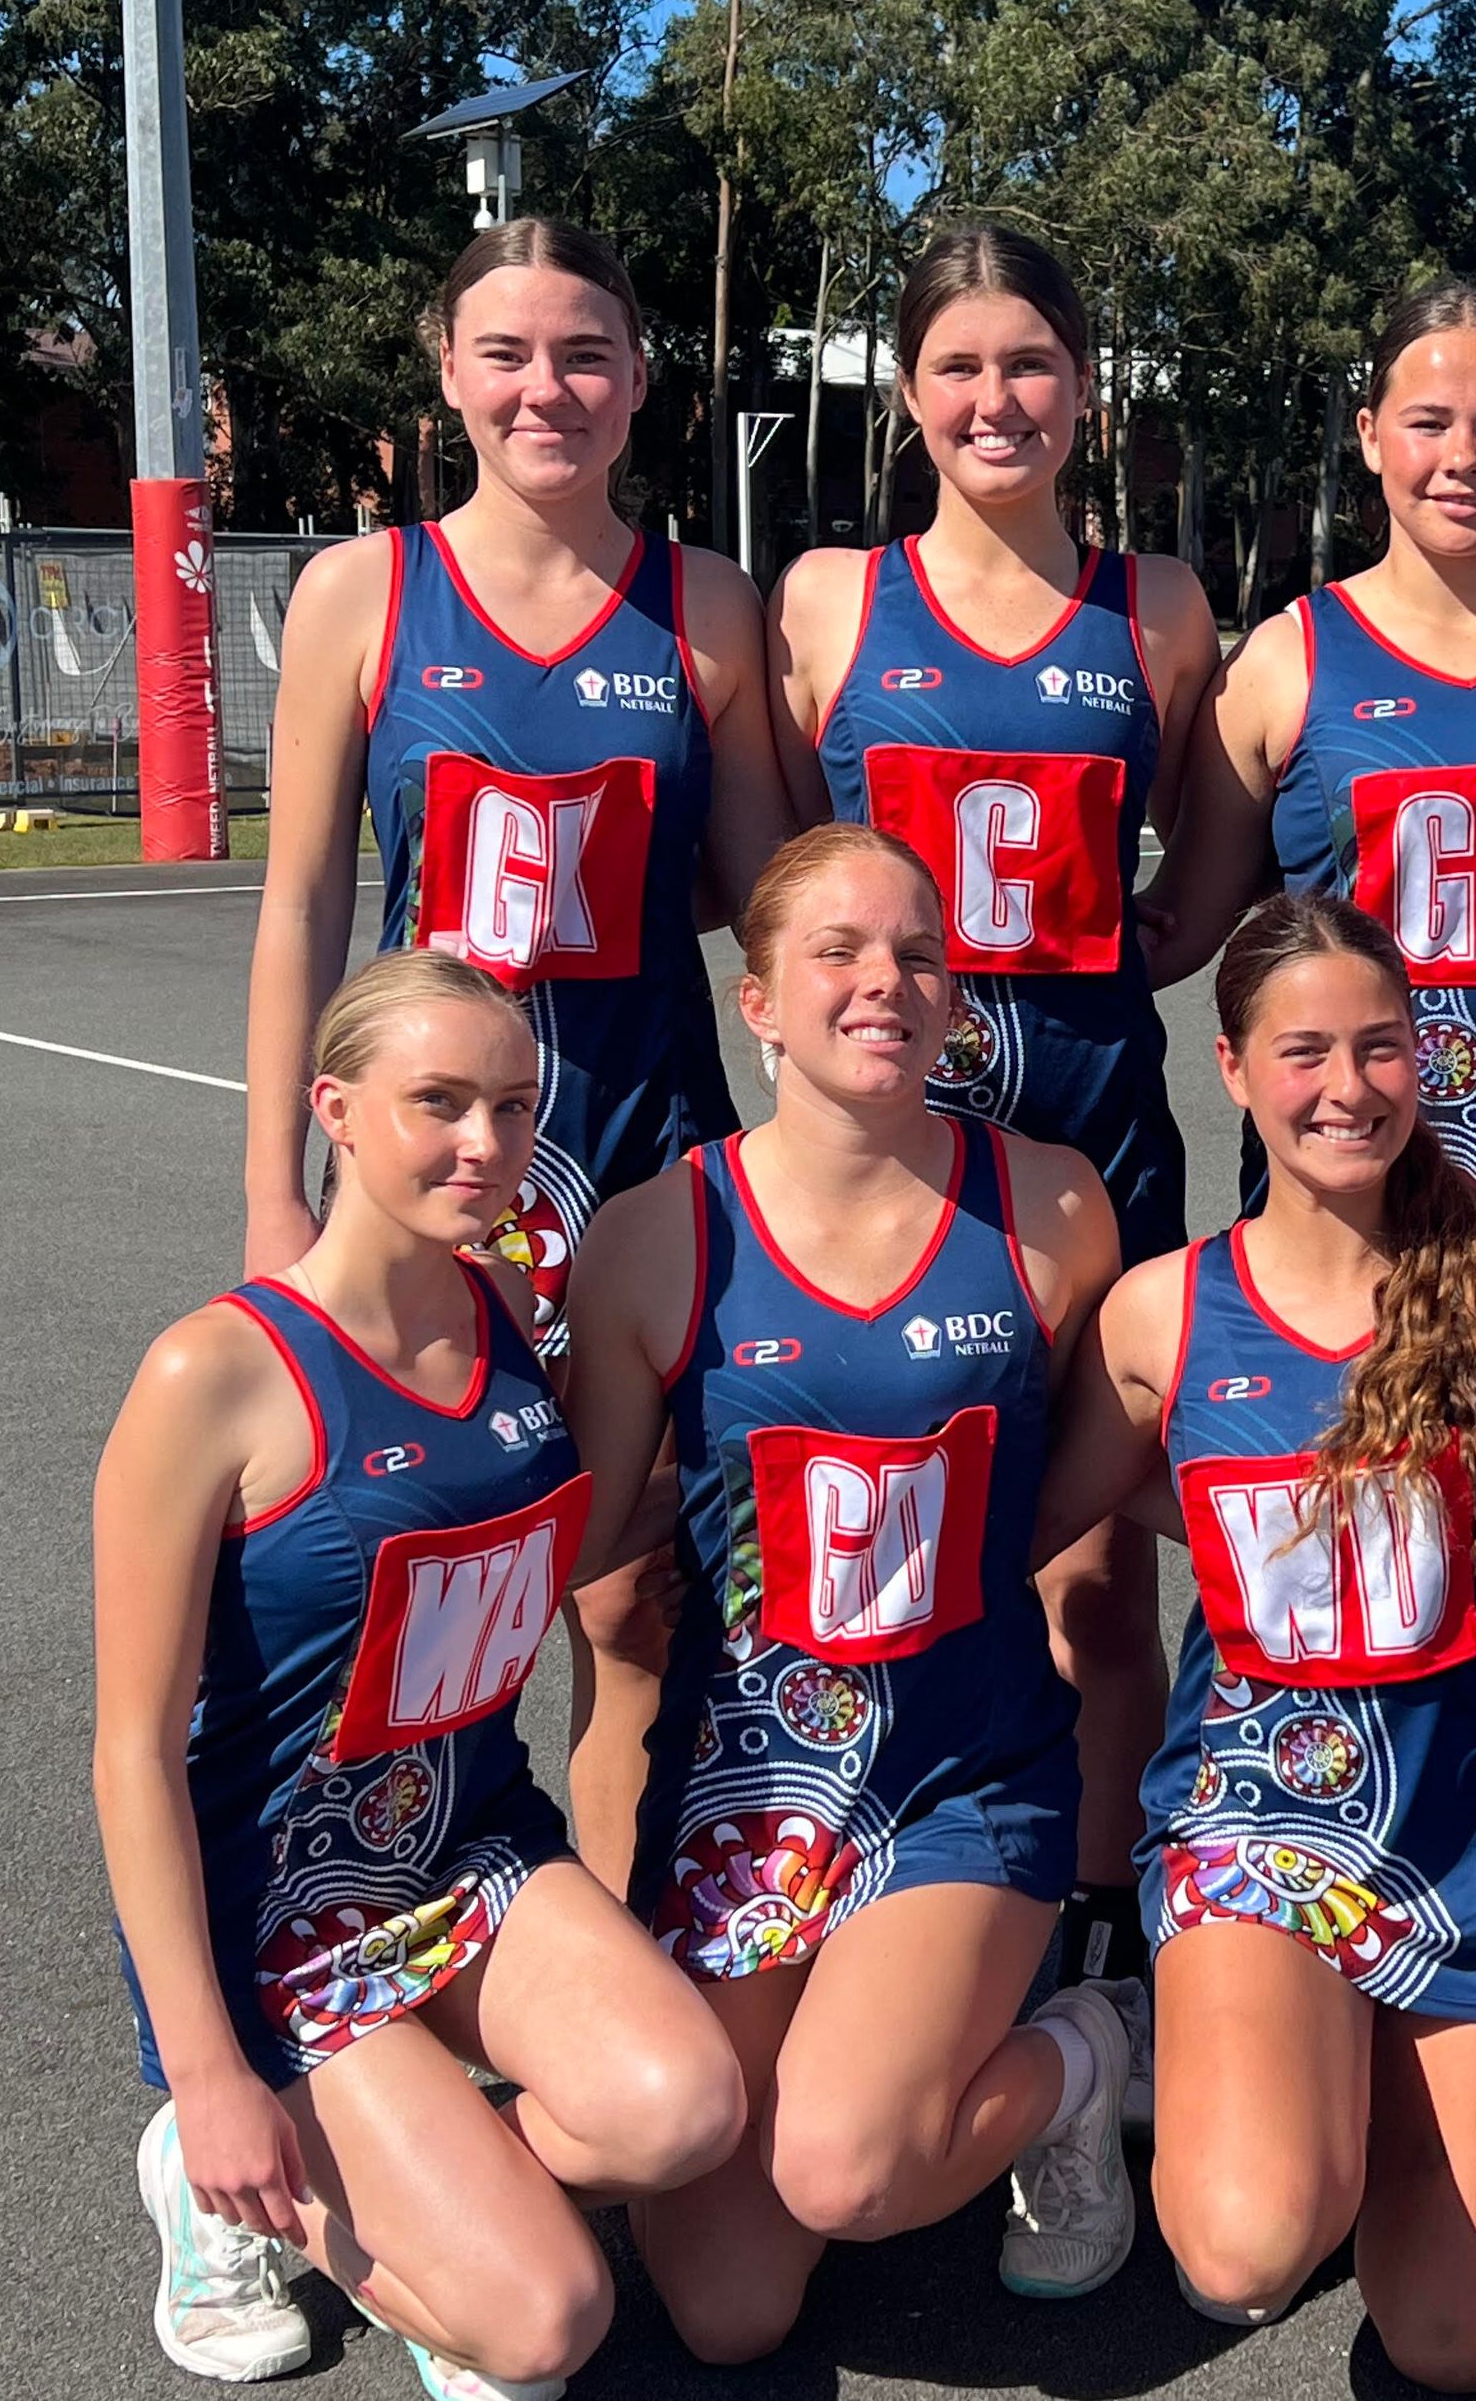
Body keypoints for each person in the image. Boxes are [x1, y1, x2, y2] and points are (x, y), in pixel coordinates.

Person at [96, 953, 745, 2400]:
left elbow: (560, 1537)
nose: (484, 1144)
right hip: (280, 1910)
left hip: (467, 1846)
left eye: (512, 1107)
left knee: (685, 2111)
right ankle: (216, 2175)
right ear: (333, 1109)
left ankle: (423, 2200)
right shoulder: (214, 1374)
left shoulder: (504, 1306)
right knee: (546, 2324)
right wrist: (206, 2072)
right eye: (438, 1102)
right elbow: (133, 1753)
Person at [242, 217, 788, 1895]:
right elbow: (303, 900)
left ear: (639, 381)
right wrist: (272, 1188)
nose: (546, 388)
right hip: (431, 1173)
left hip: (642, 1155)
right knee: (420, 1573)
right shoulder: (362, 592)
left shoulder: (704, 606)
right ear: (449, 374)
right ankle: (387, 1936)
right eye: (508, 352)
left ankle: (622, 1943)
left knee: (631, 1601)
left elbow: (767, 899)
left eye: (584, 354)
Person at [559, 824, 1138, 2361]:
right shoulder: (655, 1238)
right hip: (748, 1788)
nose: (885, 980)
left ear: (956, 998)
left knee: (846, 2170)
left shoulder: (1053, 1211)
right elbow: (577, 1541)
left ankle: (1079, 2057)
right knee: (730, 2309)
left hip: (961, 1775)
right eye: (839, 951)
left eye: (918, 955)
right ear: (755, 1001)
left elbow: (1085, 1484)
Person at [1035, 891, 1476, 2387]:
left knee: (1448, 2343)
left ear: (1424, 1055)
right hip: (1260, 1813)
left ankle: (1340, 2061)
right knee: (1245, 2248)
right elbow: (1013, 1530)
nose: (1346, 1088)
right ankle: (1141, 2047)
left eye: (1380, 1046)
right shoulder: (1163, 1317)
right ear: (1233, 1069)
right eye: (1303, 1052)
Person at [769, 222, 1222, 2023]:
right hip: (886, 1157)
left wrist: (1078, 978)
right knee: (866, 1528)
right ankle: (855, 1874)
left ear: (1086, 387)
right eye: (958, 366)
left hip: (1096, 1144)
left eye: (1030, 362)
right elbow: (790, 884)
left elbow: (1197, 888)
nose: (996, 399)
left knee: (1098, 1561)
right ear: (908, 392)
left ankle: (1099, 1939)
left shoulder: (1159, 607)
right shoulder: (827, 599)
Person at [1144, 278, 1476, 1233]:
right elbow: (1184, 920)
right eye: (1429, 423)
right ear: (1371, 435)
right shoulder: (1287, 661)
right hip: (1345, 1196)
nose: (1463, 458)